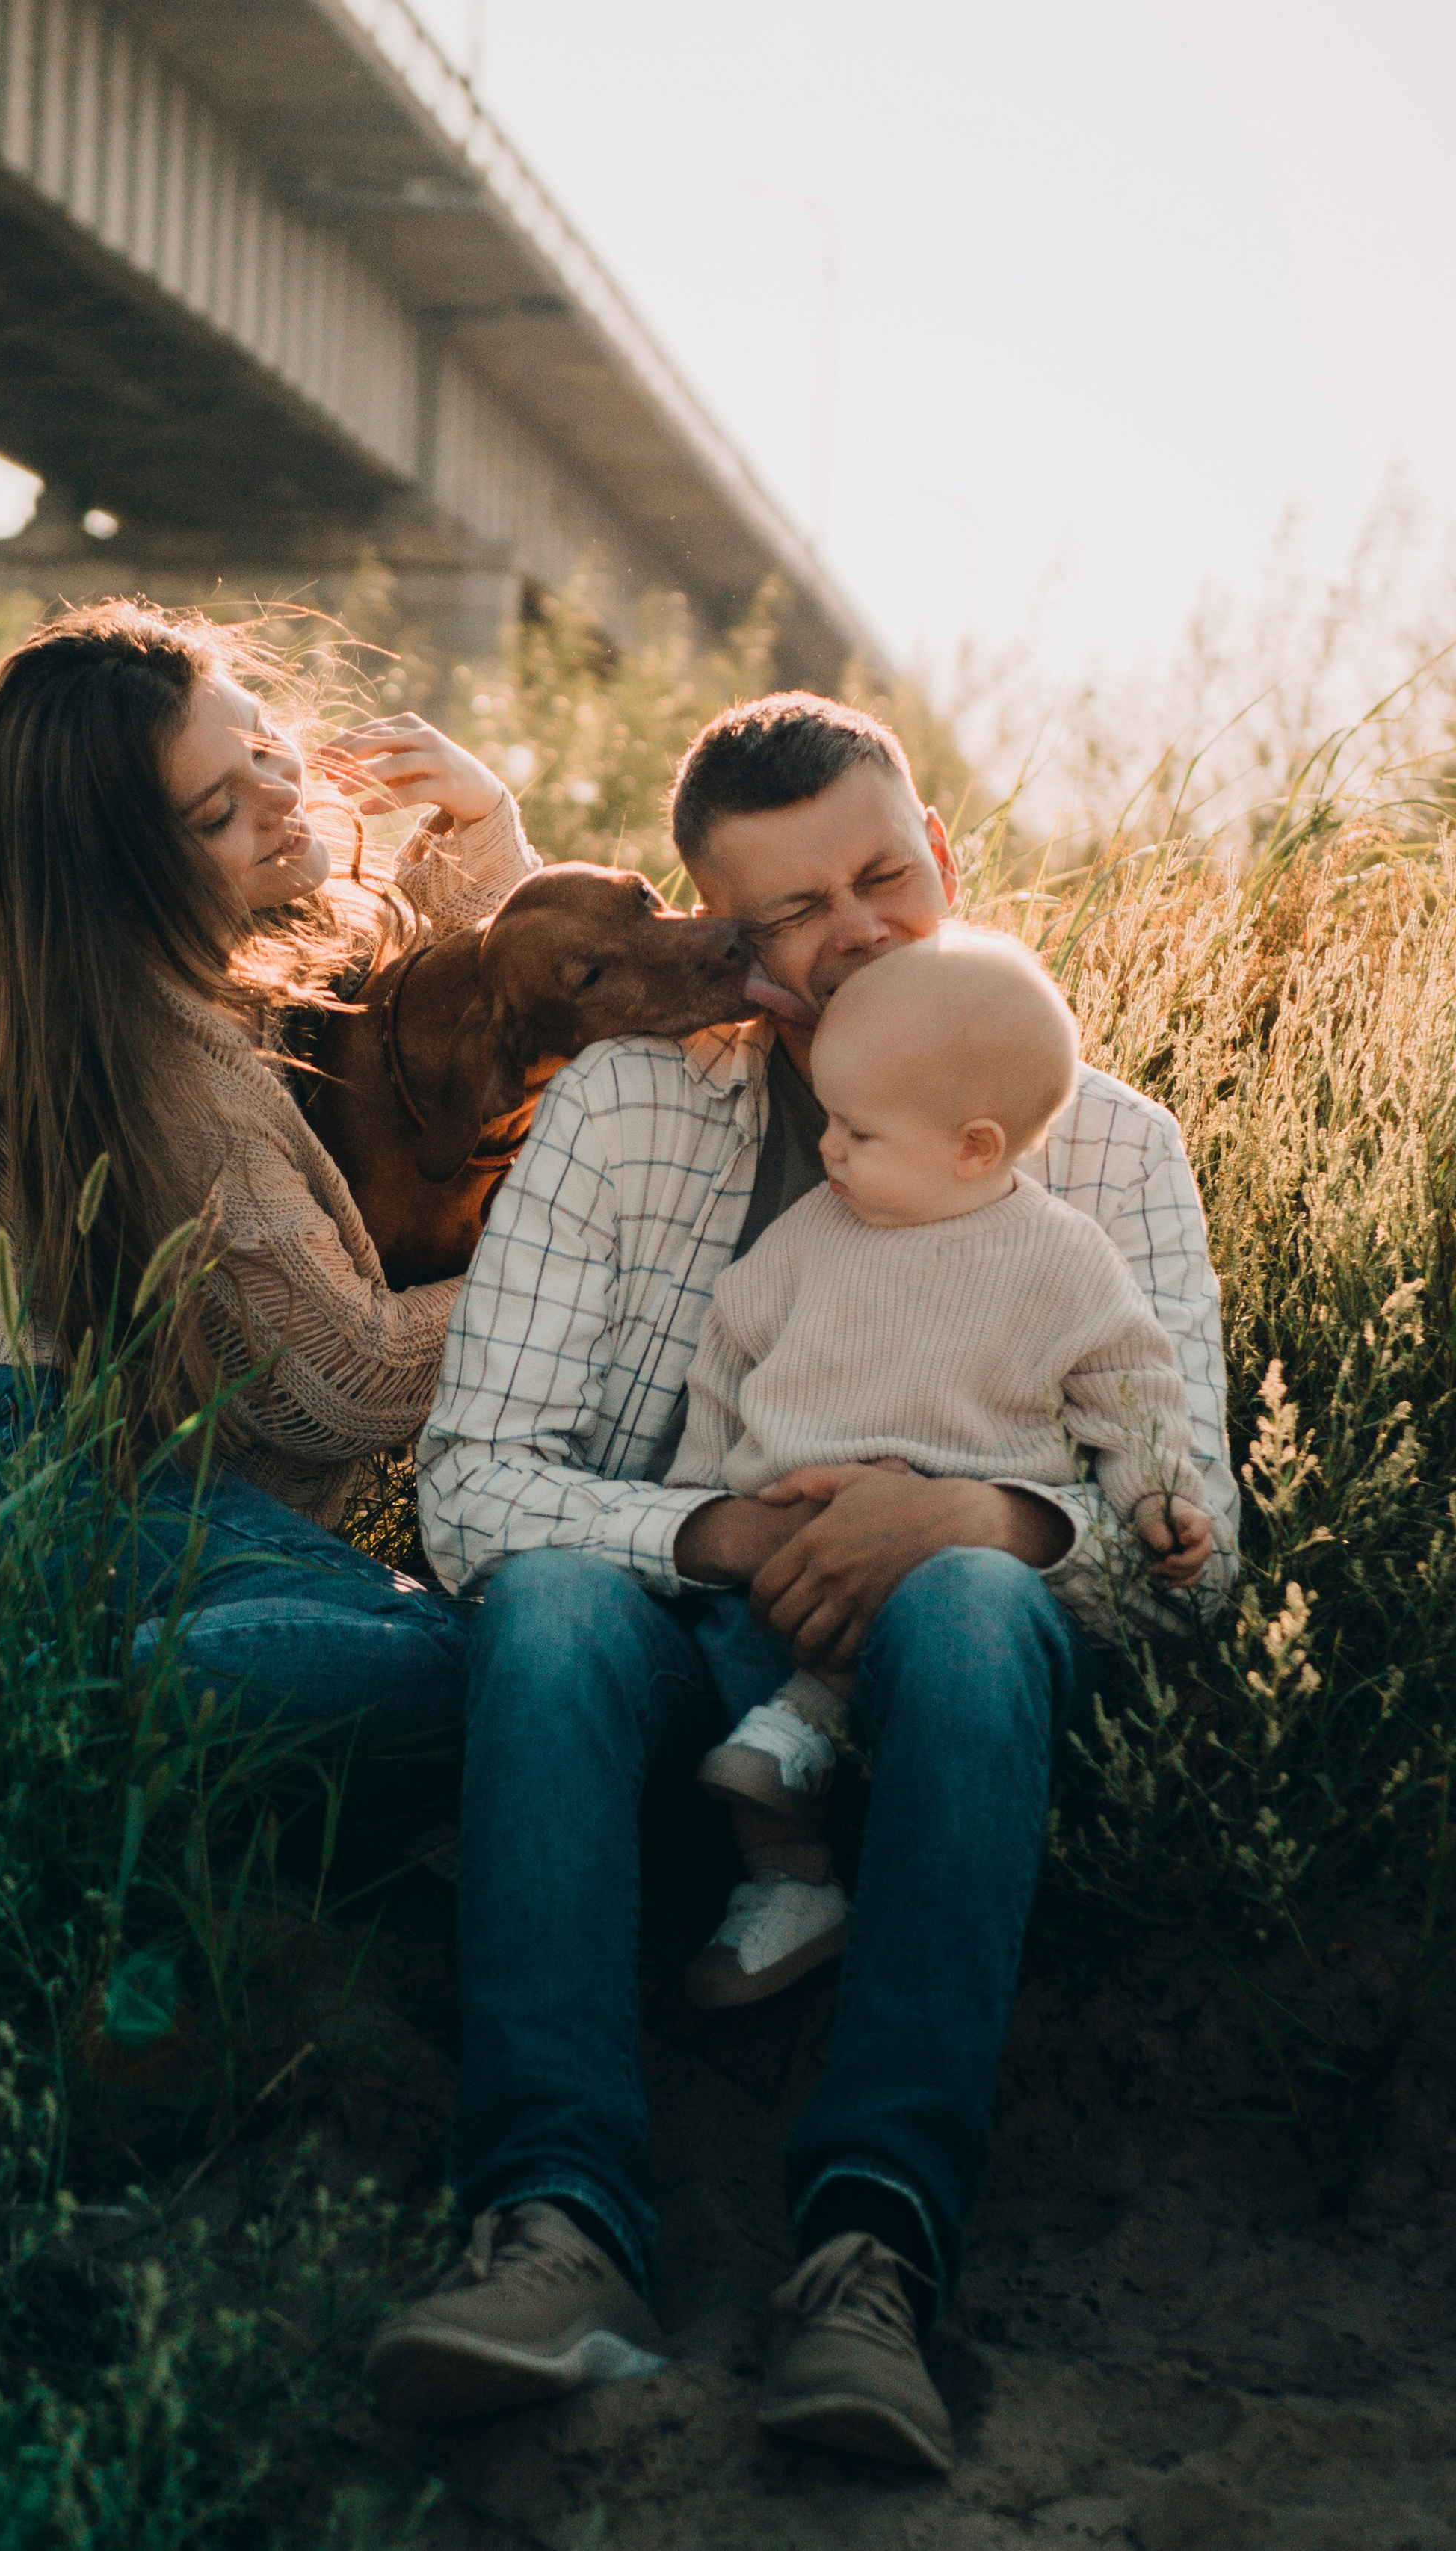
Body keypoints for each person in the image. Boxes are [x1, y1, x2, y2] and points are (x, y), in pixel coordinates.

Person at [365, 692, 1241, 2475]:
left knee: (984, 1610)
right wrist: (728, 1537)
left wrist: (980, 1522)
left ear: (944, 859)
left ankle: (872, 2251)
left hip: (938, 1654)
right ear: (726, 944)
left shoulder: (1104, 1147)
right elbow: (468, 1495)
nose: (850, 936)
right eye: (787, 915)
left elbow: (1190, 1556)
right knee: (535, 1605)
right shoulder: (622, 1116)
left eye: (880, 878)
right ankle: (554, 2224)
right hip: (678, 1643)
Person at [0, 599, 534, 1752]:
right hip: (67, 1488)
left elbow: (393, 991)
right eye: (220, 808)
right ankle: (94, 1696)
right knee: (483, 1668)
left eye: (262, 739)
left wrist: (485, 824)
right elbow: (346, 1380)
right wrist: (557, 1272)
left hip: (118, 1482)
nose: (280, 792)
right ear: (131, 876)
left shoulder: (173, 966)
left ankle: (77, 1684)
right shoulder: (162, 1075)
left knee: (476, 1664)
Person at [668, 924, 1221, 2011]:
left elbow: (1132, 1393)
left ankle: (820, 1743)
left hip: (935, 1562)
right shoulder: (812, 1232)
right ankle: (789, 1877)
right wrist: (707, 1498)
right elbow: (729, 1357)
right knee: (737, 1661)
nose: (828, 1149)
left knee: (919, 1634)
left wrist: (1162, 1501)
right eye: (828, 1120)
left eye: (861, 1132)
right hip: (777, 1556)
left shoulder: (1061, 1259)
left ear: (976, 1146)